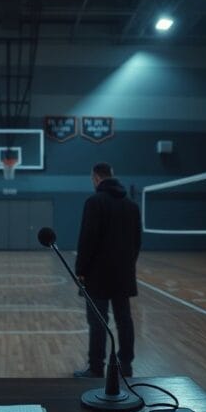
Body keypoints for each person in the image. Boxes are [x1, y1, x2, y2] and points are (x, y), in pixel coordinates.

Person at [74, 162, 142, 378]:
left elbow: (87, 239)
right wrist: (128, 265)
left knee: (97, 321)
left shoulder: (94, 202)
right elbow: (137, 241)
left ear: (95, 178)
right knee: (124, 320)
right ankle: (126, 366)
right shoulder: (132, 205)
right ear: (112, 176)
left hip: (97, 275)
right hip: (123, 273)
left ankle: (96, 368)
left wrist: (81, 269)